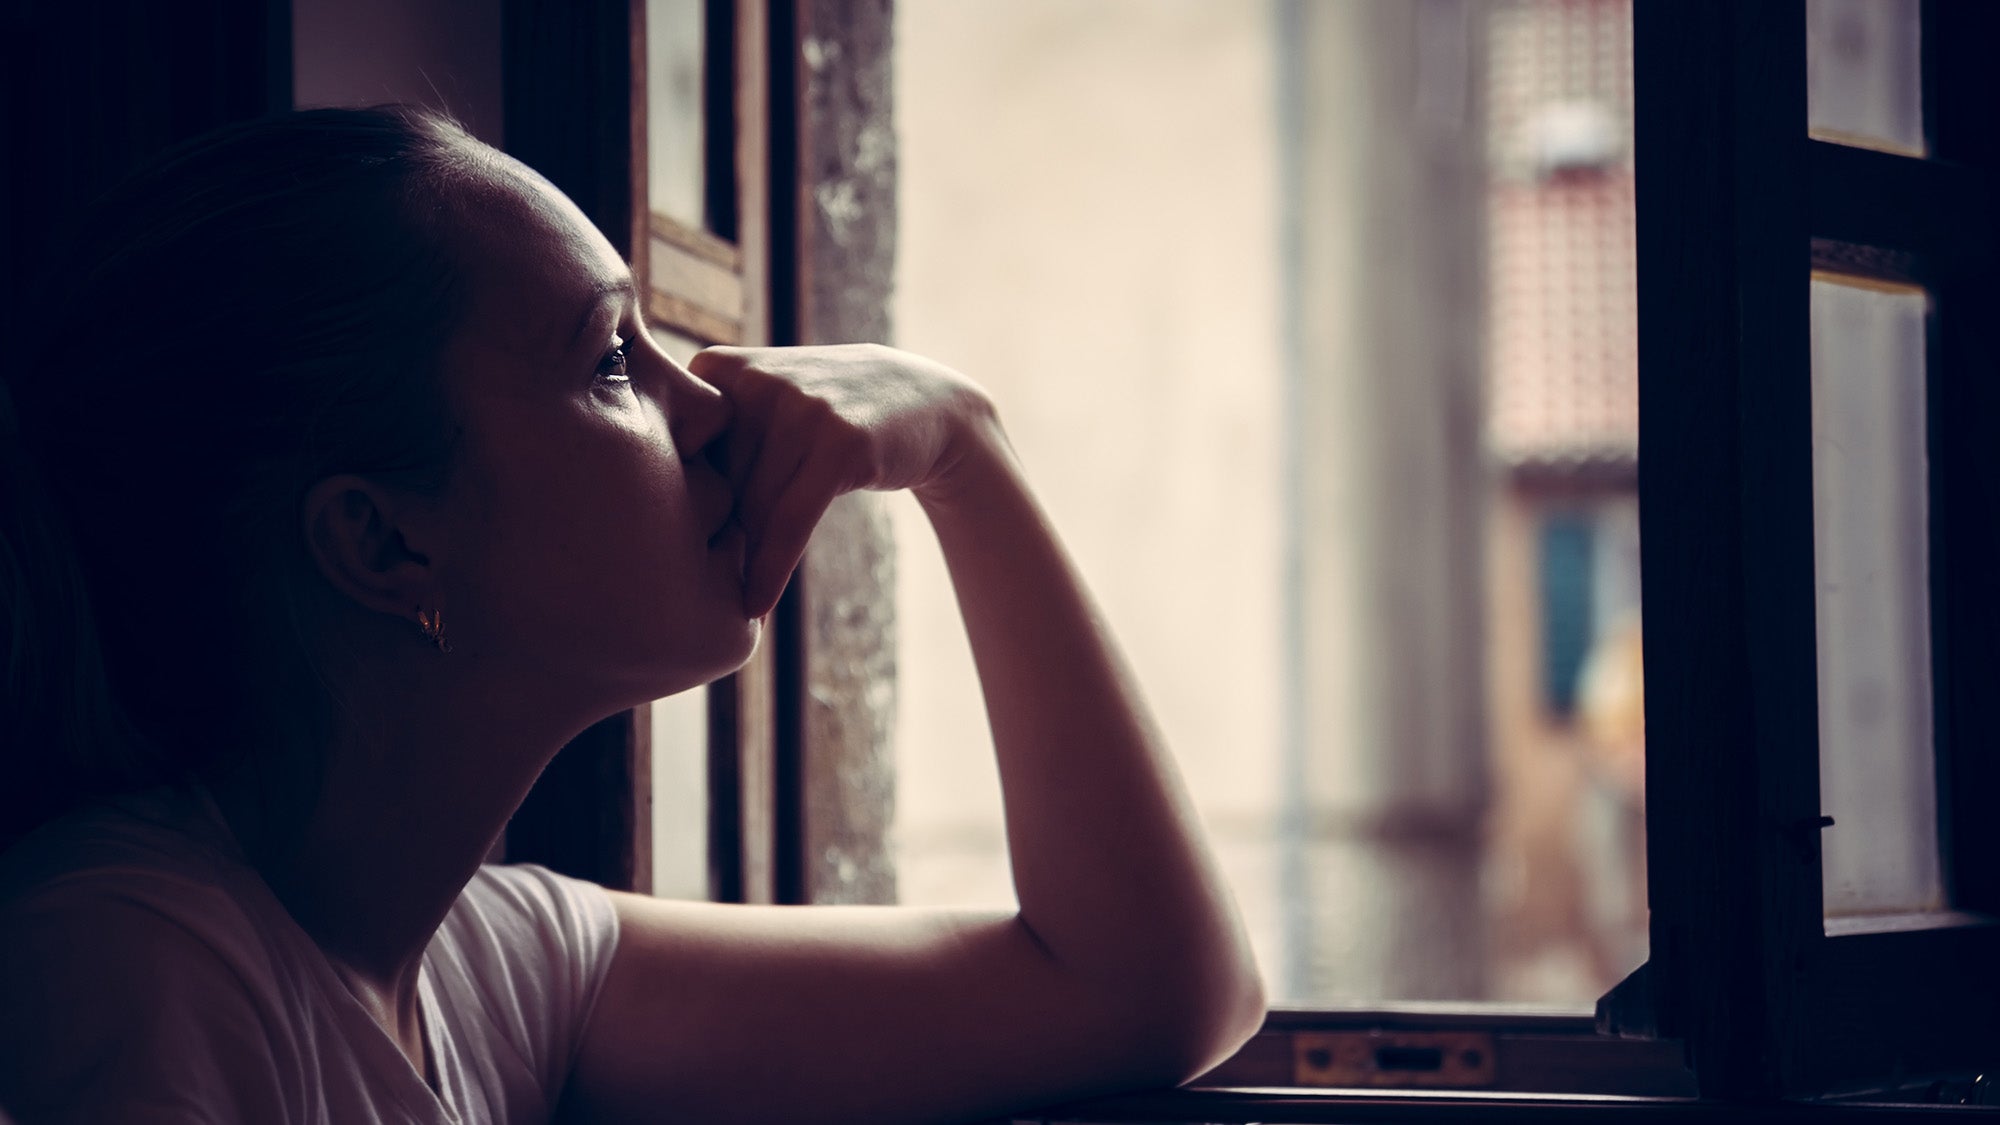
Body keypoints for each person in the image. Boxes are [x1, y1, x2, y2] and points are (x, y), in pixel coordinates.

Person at [0, 105, 1264, 1123]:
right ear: (384, 539)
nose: (712, 406)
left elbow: (1141, 992)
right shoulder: (133, 973)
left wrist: (961, 447)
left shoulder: (485, 964)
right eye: (612, 359)